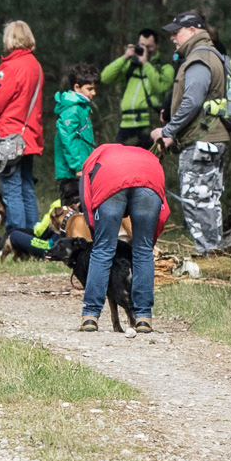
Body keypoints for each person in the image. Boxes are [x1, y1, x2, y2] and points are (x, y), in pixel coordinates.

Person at [152, 10, 231, 255]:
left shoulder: (199, 58)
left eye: (176, 32)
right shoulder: (208, 54)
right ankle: (214, 252)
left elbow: (192, 100)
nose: (172, 38)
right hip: (207, 139)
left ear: (192, 30)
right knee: (207, 200)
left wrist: (168, 130)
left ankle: (209, 253)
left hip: (201, 141)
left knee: (195, 201)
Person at [77, 142, 169, 334]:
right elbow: (163, 210)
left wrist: (95, 232)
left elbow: (86, 199)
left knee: (102, 250)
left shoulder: (96, 159)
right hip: (150, 179)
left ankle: (90, 317)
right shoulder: (148, 157)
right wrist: (150, 240)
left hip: (111, 181)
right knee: (143, 252)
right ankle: (143, 318)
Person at [0, 19, 45, 255]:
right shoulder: (35, 65)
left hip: (8, 138)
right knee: (27, 187)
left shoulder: (11, 67)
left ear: (10, 38)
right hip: (29, 135)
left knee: (12, 188)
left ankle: (15, 238)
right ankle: (32, 240)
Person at [101, 29, 173, 147]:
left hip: (149, 124)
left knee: (147, 162)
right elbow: (105, 77)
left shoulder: (165, 67)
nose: (145, 49)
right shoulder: (131, 65)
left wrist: (145, 63)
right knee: (122, 162)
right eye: (142, 45)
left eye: (149, 46)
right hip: (126, 124)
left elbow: (161, 87)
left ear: (157, 46)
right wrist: (125, 57)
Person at [52, 63, 98, 205]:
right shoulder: (72, 110)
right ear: (77, 87)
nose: (94, 93)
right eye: (89, 89)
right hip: (72, 173)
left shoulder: (82, 108)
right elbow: (68, 139)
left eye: (94, 89)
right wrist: (78, 166)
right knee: (74, 209)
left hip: (83, 169)